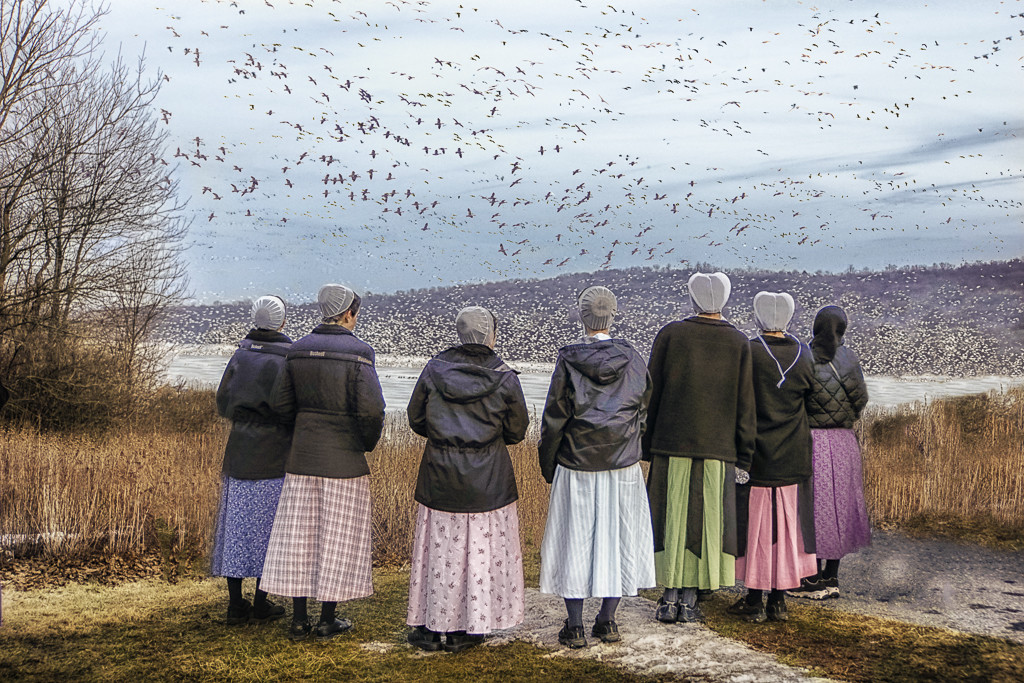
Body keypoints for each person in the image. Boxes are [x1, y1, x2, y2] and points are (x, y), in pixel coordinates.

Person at [261, 284, 386, 641]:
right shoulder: (360, 353)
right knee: (337, 541)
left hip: (301, 460)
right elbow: (372, 410)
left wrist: (300, 433)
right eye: (356, 313)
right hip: (344, 462)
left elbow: (281, 405)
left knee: (299, 538)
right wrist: (364, 444)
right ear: (349, 313)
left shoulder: (297, 350)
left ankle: (299, 619)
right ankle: (327, 619)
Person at [405, 306, 529, 653]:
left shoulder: (434, 369)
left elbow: (416, 419)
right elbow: (517, 431)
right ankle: (471, 627)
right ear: (491, 334)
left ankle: (430, 626)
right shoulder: (505, 377)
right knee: (479, 555)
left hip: (440, 475)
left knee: (439, 553)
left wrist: (443, 435)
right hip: (488, 480)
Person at [538, 286, 655, 649]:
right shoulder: (634, 359)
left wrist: (550, 466)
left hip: (577, 461)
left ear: (582, 315)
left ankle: (574, 626)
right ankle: (607, 621)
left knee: (575, 539)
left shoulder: (569, 360)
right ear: (612, 315)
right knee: (620, 538)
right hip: (622, 463)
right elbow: (642, 410)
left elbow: (554, 419)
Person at [643, 272, 756, 623]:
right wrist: (744, 453)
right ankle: (690, 598)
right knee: (706, 524)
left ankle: (669, 596)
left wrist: (646, 446)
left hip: (672, 442)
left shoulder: (671, 335)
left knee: (671, 519)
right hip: (718, 447)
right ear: (724, 299)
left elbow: (651, 393)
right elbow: (745, 405)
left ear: (692, 298)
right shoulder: (739, 342)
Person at [729, 291, 817, 623]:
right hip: (793, 452)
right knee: (785, 527)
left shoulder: (749, 351)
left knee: (757, 527)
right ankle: (778, 601)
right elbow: (813, 398)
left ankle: (753, 597)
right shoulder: (804, 354)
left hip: (755, 453)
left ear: (759, 316)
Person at [211, 296, 293, 625]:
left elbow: (223, 403)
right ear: (282, 323)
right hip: (274, 453)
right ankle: (261, 602)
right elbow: (290, 407)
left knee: (236, 529)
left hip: (240, 449)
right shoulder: (287, 358)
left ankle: (235, 605)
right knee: (267, 531)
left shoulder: (240, 355)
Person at [789, 305, 870, 600]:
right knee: (839, 509)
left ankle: (810, 579)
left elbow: (798, 398)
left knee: (812, 509)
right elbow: (861, 398)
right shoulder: (850, 358)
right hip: (844, 441)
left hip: (812, 441)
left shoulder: (805, 356)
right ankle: (832, 577)